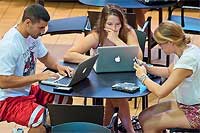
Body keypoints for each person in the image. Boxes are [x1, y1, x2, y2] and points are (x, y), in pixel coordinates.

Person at [64, 4, 143, 133]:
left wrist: (117, 40)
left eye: (118, 24)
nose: (114, 28)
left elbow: (139, 57)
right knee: (118, 95)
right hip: (99, 78)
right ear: (103, 23)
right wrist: (95, 60)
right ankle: (128, 130)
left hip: (124, 75)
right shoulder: (96, 35)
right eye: (110, 24)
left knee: (115, 95)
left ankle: (106, 128)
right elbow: (69, 54)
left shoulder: (128, 31)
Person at [0, 4, 74, 133]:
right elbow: (3, 81)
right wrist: (37, 77)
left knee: (64, 99)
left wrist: (58, 66)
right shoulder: (10, 45)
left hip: (26, 91)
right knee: (42, 120)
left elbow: (45, 56)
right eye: (41, 27)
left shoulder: (33, 36)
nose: (42, 32)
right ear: (28, 22)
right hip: (7, 99)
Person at [134, 21, 200, 132]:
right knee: (143, 117)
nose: (159, 47)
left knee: (150, 124)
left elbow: (161, 92)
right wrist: (147, 67)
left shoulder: (188, 60)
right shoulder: (185, 49)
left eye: (160, 44)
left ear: (170, 42)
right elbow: (170, 71)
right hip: (185, 104)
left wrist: (143, 77)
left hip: (195, 110)